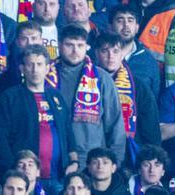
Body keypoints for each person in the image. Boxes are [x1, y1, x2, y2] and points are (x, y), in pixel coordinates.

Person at [0, 47, 70, 185]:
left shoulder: (57, 96)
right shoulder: (10, 97)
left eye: (39, 64)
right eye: (30, 64)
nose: (35, 69)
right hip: (23, 179)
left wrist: (72, 161)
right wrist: (12, 168)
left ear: (47, 68)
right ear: (22, 68)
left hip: (58, 176)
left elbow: (68, 131)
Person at [49, 26, 127, 169]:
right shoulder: (46, 76)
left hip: (91, 162)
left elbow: (115, 125)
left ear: (87, 47)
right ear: (59, 45)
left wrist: (116, 163)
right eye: (69, 45)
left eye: (80, 45)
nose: (75, 50)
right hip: (51, 157)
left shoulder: (101, 78)